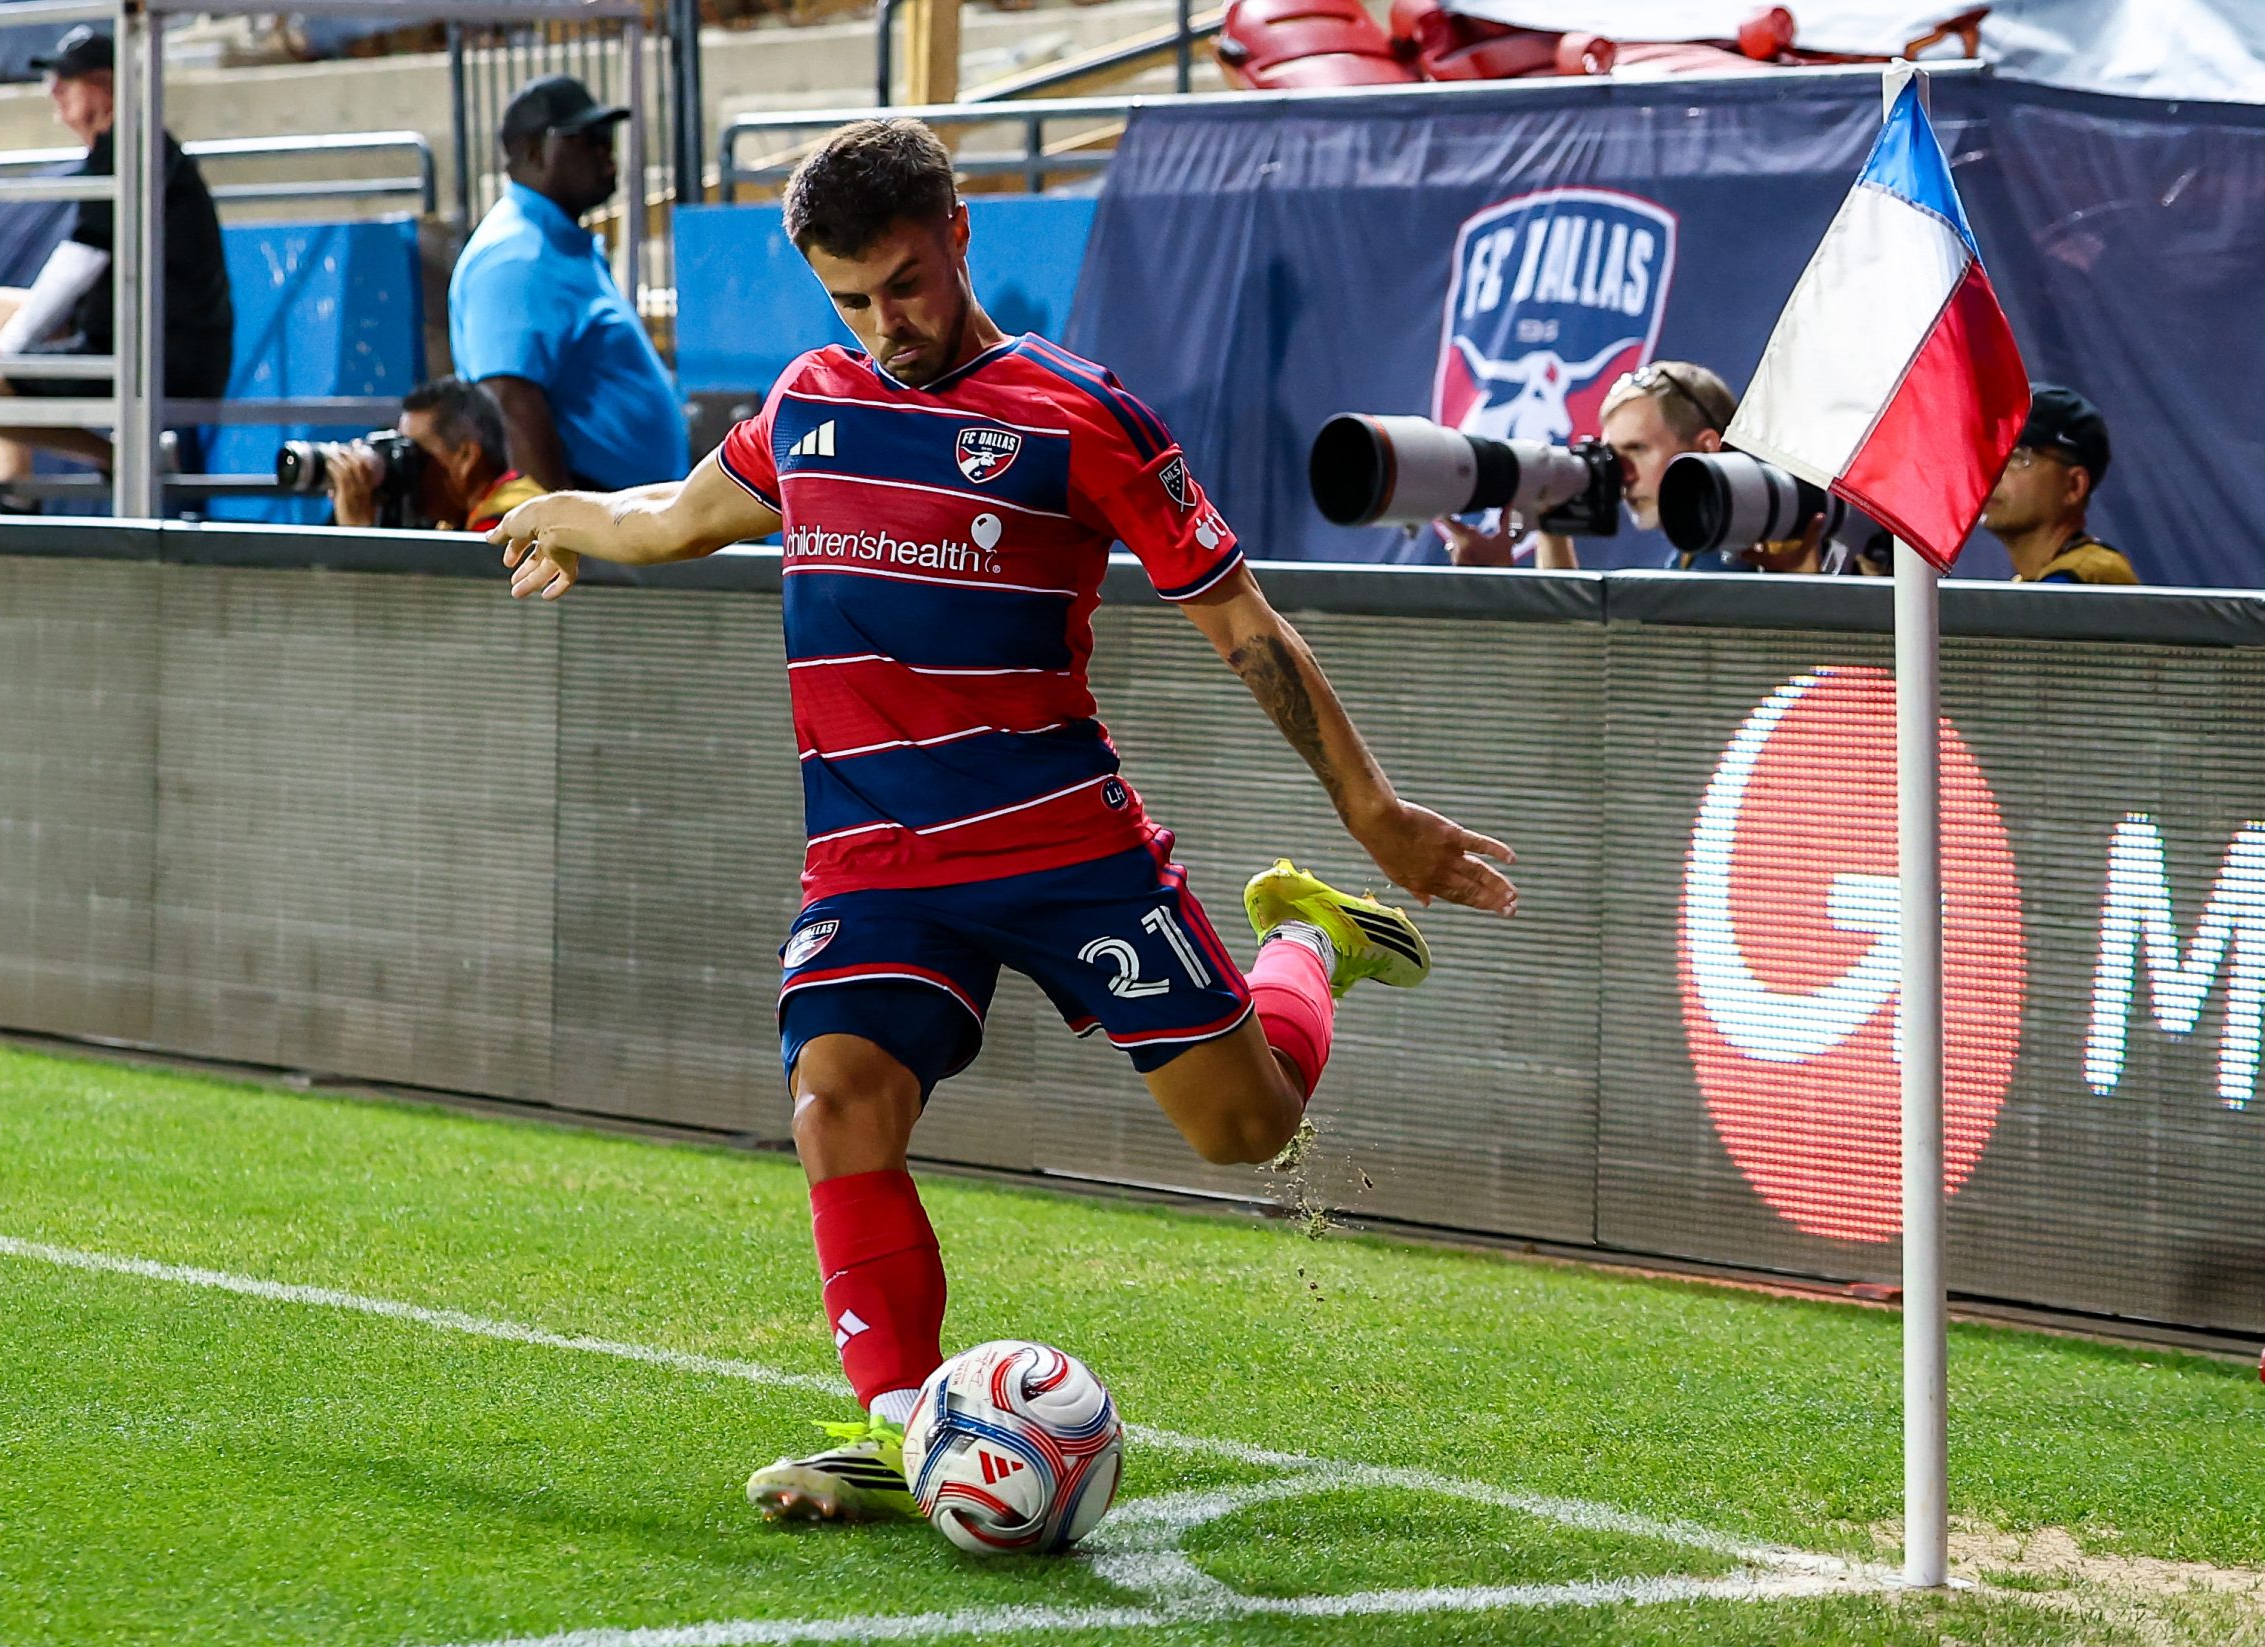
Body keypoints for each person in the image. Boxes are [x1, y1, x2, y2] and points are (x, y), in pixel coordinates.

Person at [490, 119, 1518, 1524]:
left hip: (1062, 841)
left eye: (903, 283)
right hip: (877, 857)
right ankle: (908, 1421)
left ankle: (1306, 944)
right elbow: (671, 517)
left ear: (959, 234)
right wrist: (563, 514)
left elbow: (1244, 628)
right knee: (835, 1100)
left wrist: (1378, 812)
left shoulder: (1080, 413)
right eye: (850, 297)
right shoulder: (807, 402)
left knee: (1245, 1134)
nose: (883, 323)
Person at [0, 25, 231, 507]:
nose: (53, 91)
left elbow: (80, 261)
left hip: (161, 353)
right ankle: (17, 493)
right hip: (133, 324)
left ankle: (123, 458)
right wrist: (6, 338)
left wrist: (6, 351)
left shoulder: (131, 145)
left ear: (106, 86)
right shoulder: (121, 144)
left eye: (68, 80)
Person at [449, 75, 687, 495]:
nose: (606, 151)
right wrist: (562, 540)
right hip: (592, 524)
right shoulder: (516, 256)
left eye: (607, 137)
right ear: (534, 151)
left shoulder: (554, 243)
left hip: (620, 519)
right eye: (588, 138)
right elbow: (509, 401)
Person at [1440, 360, 1815, 572]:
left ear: (1706, 449)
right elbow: (1587, 667)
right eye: (1613, 456)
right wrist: (1550, 529)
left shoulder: (1771, 554)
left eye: (1637, 450)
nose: (1622, 475)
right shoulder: (1698, 556)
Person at [328, 378, 549, 531]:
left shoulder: (508, 527)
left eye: (414, 454)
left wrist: (358, 531)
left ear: (466, 458)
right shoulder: (458, 518)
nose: (403, 467)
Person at [1980, 385, 2137, 584]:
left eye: (2017, 457)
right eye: (1990, 455)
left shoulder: (2085, 577)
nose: (1991, 473)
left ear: (2074, 486)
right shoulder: (2031, 583)